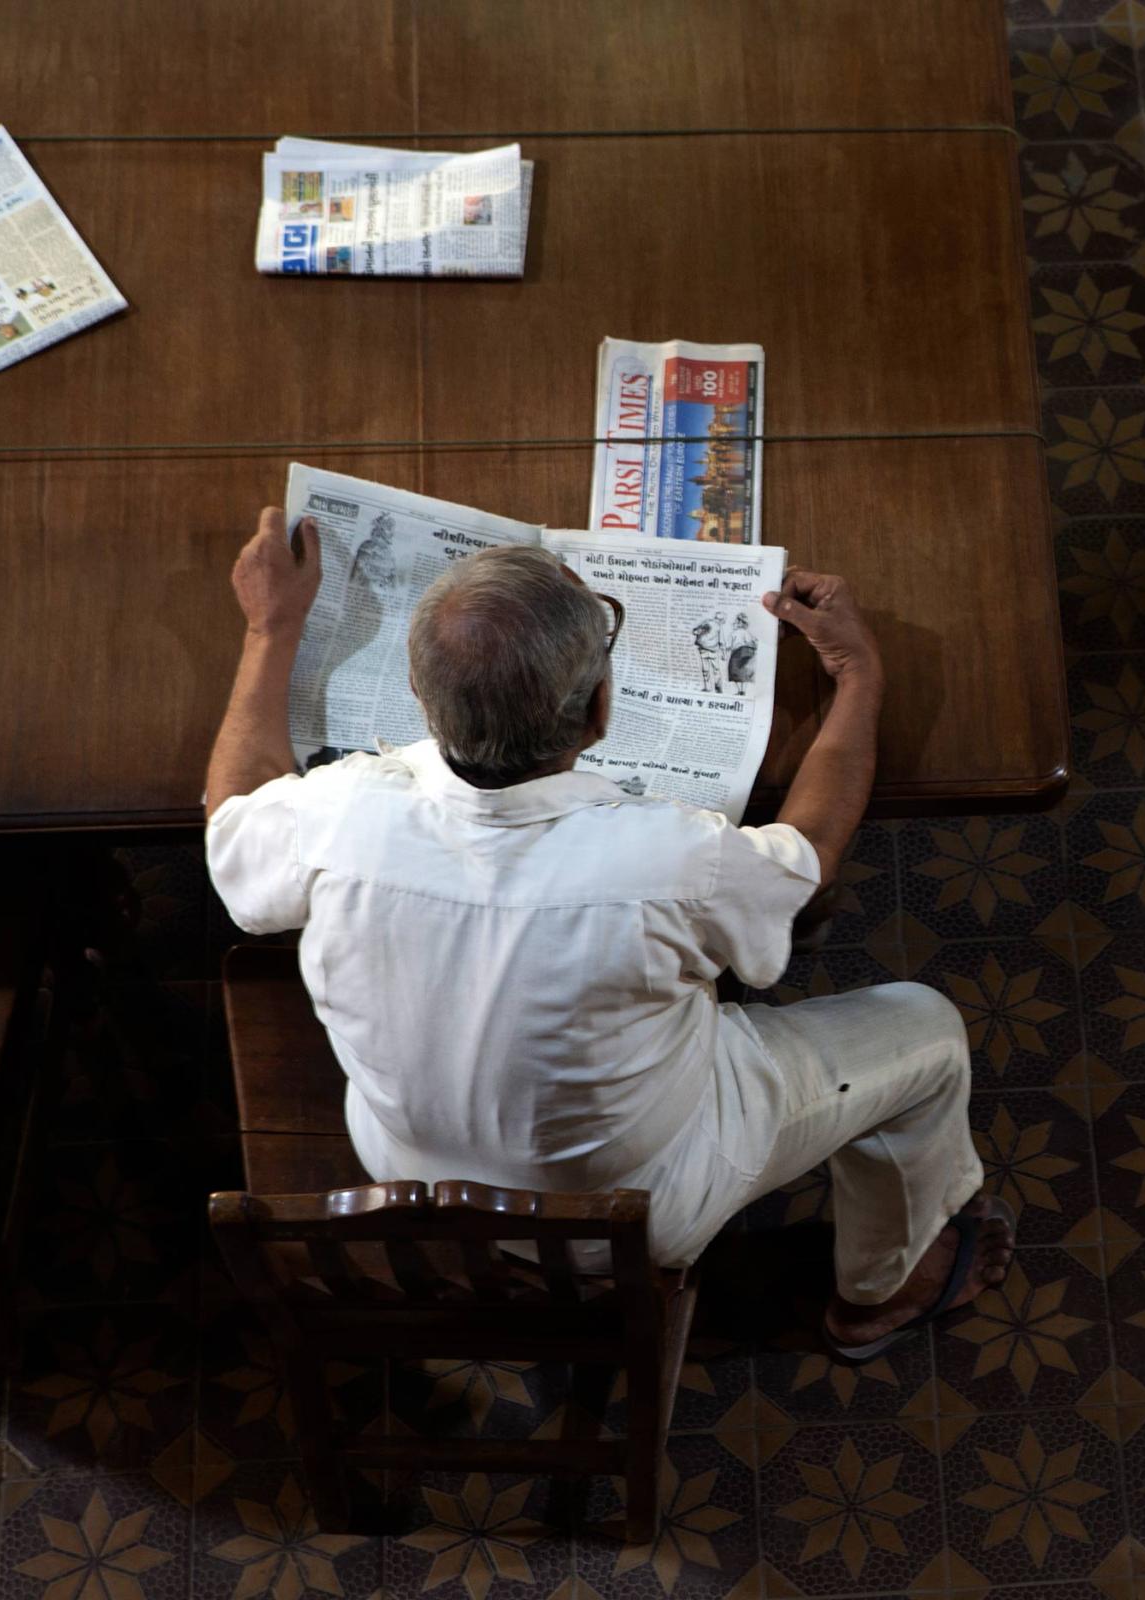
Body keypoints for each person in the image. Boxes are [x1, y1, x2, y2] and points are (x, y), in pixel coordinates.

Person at [202, 509, 1011, 1358]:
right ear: (597, 713)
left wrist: (271, 626)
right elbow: (807, 855)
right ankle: (884, 1290)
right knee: (930, 1030)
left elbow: (231, 819)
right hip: (633, 1207)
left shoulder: (336, 815)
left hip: (413, 1167)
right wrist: (858, 673)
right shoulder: (669, 859)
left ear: (420, 697)